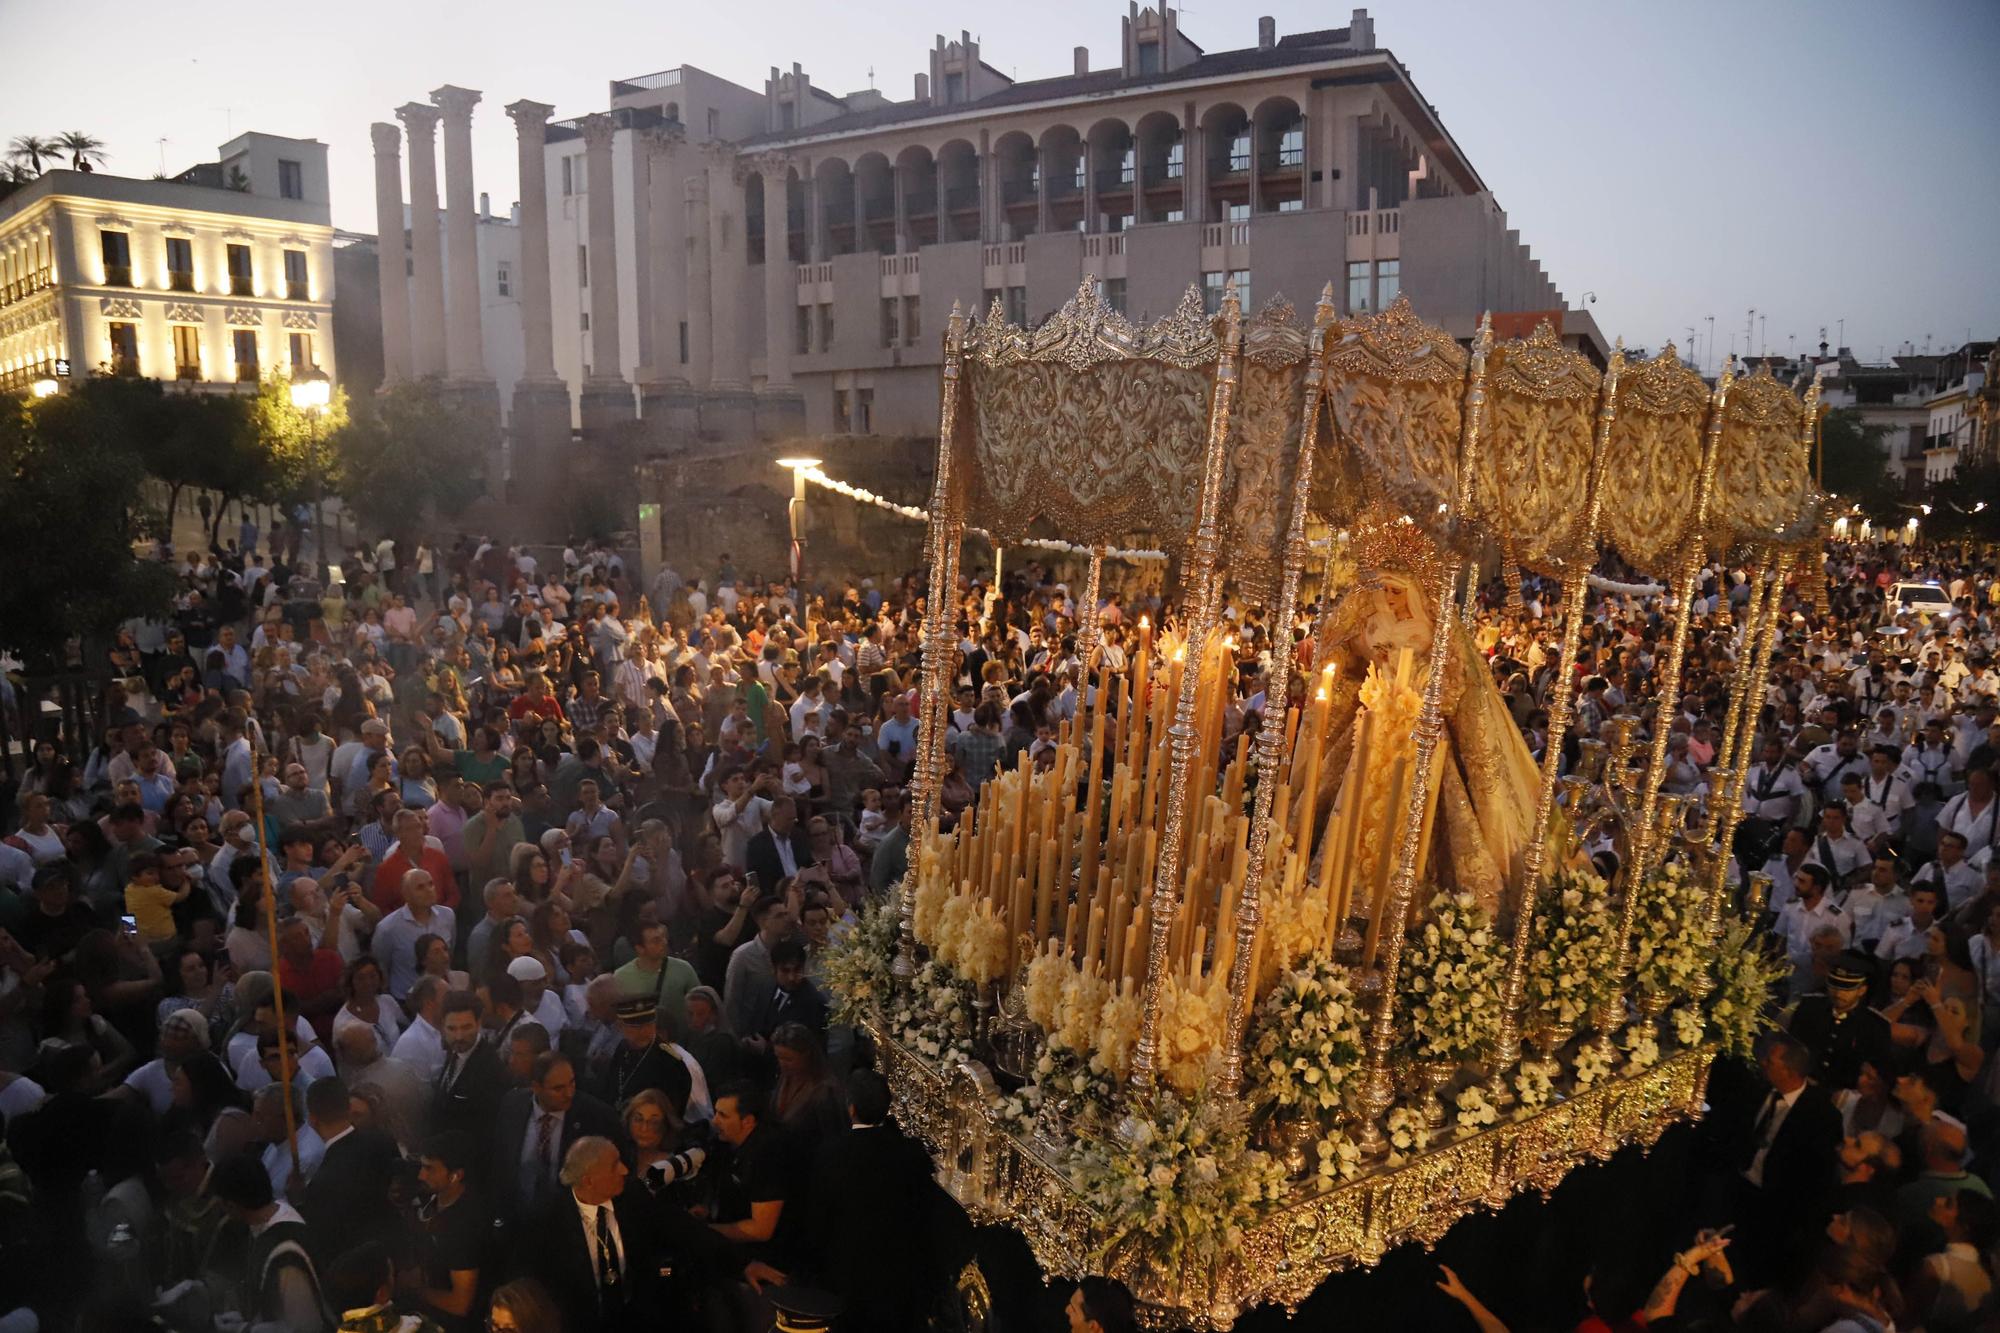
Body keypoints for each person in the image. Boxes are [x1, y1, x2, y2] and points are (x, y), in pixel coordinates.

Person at [491, 1050, 623, 1228]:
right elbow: (500, 1163)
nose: (569, 1093)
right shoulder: (512, 1106)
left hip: (569, 1225)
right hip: (516, 1221)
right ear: (536, 1087)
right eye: (558, 1088)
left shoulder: (595, 1117)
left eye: (572, 1083)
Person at [208, 1149, 331, 1332]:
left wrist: (245, 1330)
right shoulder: (260, 1227)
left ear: (232, 1206)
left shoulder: (286, 1251)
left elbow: (305, 1326)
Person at [298, 1074, 400, 1267]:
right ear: (347, 1109)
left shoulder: (322, 1184)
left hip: (356, 1270)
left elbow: (326, 1242)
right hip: (392, 1257)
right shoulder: (383, 1141)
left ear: (312, 1119)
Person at [409, 1131, 484, 1333]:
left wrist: (414, 1289)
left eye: (430, 1169)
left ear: (455, 1176)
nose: (421, 1175)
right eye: (422, 1166)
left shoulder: (464, 1224)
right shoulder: (432, 1201)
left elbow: (460, 1303)